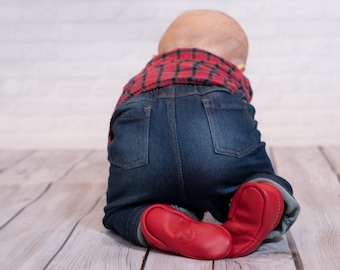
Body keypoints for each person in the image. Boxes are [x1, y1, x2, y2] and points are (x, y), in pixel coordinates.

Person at [103, 9, 300, 260]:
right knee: (253, 179)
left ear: (157, 57)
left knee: (124, 209)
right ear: (238, 68)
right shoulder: (229, 74)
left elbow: (116, 134)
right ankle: (261, 193)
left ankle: (157, 218)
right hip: (215, 151)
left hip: (146, 158)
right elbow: (242, 122)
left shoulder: (139, 79)